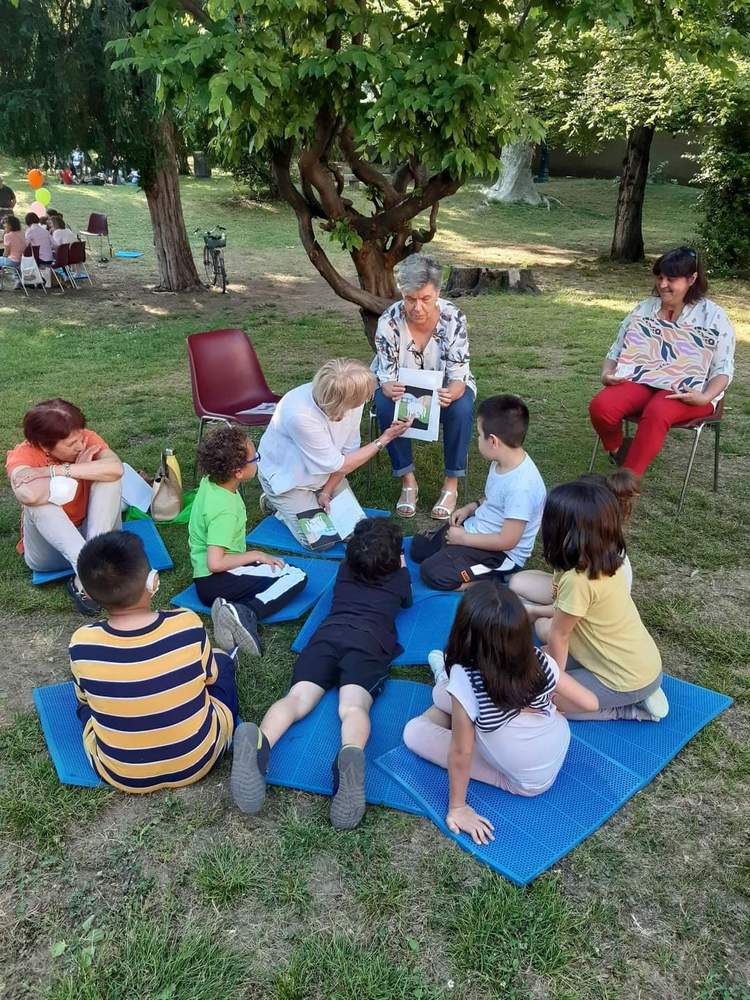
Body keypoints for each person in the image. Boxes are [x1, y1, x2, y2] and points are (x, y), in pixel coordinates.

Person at [229, 518, 413, 830]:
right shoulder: (398, 579)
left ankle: (262, 744)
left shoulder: (345, 570)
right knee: (353, 707)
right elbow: (407, 599)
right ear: (394, 559)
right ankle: (350, 755)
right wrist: (401, 564)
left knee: (297, 698)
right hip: (369, 642)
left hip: (328, 636)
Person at [403, 584, 598, 843]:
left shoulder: (466, 678)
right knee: (445, 696)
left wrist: (458, 808)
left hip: (524, 782)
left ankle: (448, 690)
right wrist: (549, 704)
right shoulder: (538, 658)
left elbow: (461, 752)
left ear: (465, 632)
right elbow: (590, 703)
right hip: (556, 742)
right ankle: (450, 695)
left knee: (414, 732)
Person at [69, 532, 238, 793]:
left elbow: (84, 699)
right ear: (153, 581)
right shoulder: (187, 623)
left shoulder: (82, 643)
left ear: (89, 596)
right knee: (222, 666)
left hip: (121, 775)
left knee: (86, 707)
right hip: (200, 759)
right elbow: (210, 679)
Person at [589, 247, 736, 477]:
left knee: (658, 411)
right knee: (602, 407)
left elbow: (723, 369)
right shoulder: (645, 308)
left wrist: (705, 397)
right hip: (643, 380)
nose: (663, 284)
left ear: (692, 279)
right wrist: (607, 373)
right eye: (660, 277)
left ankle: (626, 484)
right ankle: (619, 451)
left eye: (671, 279)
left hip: (690, 390)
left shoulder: (713, 316)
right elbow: (616, 349)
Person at [534, 480, 667, 722]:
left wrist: (552, 685)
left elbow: (560, 635)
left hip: (626, 678)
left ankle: (624, 709)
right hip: (634, 665)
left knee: (546, 701)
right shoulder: (603, 559)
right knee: (540, 662)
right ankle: (632, 694)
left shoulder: (578, 580)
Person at [257, 358, 411, 550]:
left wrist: (327, 491)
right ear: (344, 400)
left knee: (357, 532)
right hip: (289, 479)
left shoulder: (352, 398)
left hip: (326, 472)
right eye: (365, 397)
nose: (367, 399)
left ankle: (309, 503)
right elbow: (342, 464)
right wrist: (385, 439)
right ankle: (275, 504)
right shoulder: (299, 415)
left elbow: (348, 454)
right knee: (323, 542)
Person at [372, 253, 476, 520]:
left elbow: (458, 376)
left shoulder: (454, 318)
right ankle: (408, 480)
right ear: (402, 293)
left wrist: (454, 390)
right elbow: (387, 375)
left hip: (444, 386)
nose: (417, 307)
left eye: (426, 299)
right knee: (385, 405)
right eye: (410, 299)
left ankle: (450, 484)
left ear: (438, 292)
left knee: (461, 407)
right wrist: (388, 386)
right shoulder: (388, 322)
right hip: (401, 387)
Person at [188, 425, 308, 654]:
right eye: (255, 458)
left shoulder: (209, 482)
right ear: (238, 472)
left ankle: (228, 610)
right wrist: (256, 555)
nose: (258, 461)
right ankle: (244, 613)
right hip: (216, 578)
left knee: (273, 570)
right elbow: (215, 562)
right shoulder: (225, 510)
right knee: (295, 575)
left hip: (207, 579)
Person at [409, 395, 546, 591]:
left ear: (493, 441)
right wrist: (470, 508)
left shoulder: (522, 486)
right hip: (478, 531)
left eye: (479, 435)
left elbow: (508, 541)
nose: (477, 440)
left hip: (500, 554)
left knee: (432, 573)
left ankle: (491, 579)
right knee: (420, 547)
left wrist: (463, 539)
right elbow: (494, 499)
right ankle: (456, 552)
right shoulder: (502, 462)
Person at [5, 399, 123, 615]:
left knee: (109, 479)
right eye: (71, 445)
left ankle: (88, 571)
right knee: (39, 504)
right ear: (44, 445)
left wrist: (64, 470)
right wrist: (81, 469)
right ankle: (90, 569)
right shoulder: (24, 455)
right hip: (50, 550)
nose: (80, 446)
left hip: (95, 532)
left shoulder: (86, 439)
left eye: (80, 439)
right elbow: (29, 493)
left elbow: (115, 468)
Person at [511, 468, 640, 620]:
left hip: (586, 613)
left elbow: (578, 606)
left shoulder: (594, 565)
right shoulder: (587, 538)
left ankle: (542, 615)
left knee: (543, 628)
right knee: (517, 581)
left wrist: (534, 611)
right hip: (568, 596)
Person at [1, 215, 25, 287]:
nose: (4, 225)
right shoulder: (22, 233)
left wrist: (3, 258)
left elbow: (6, 253)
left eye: (5, 224)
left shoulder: (8, 236)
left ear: (10, 225)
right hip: (22, 260)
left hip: (13, 261)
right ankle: (18, 280)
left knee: (4, 260)